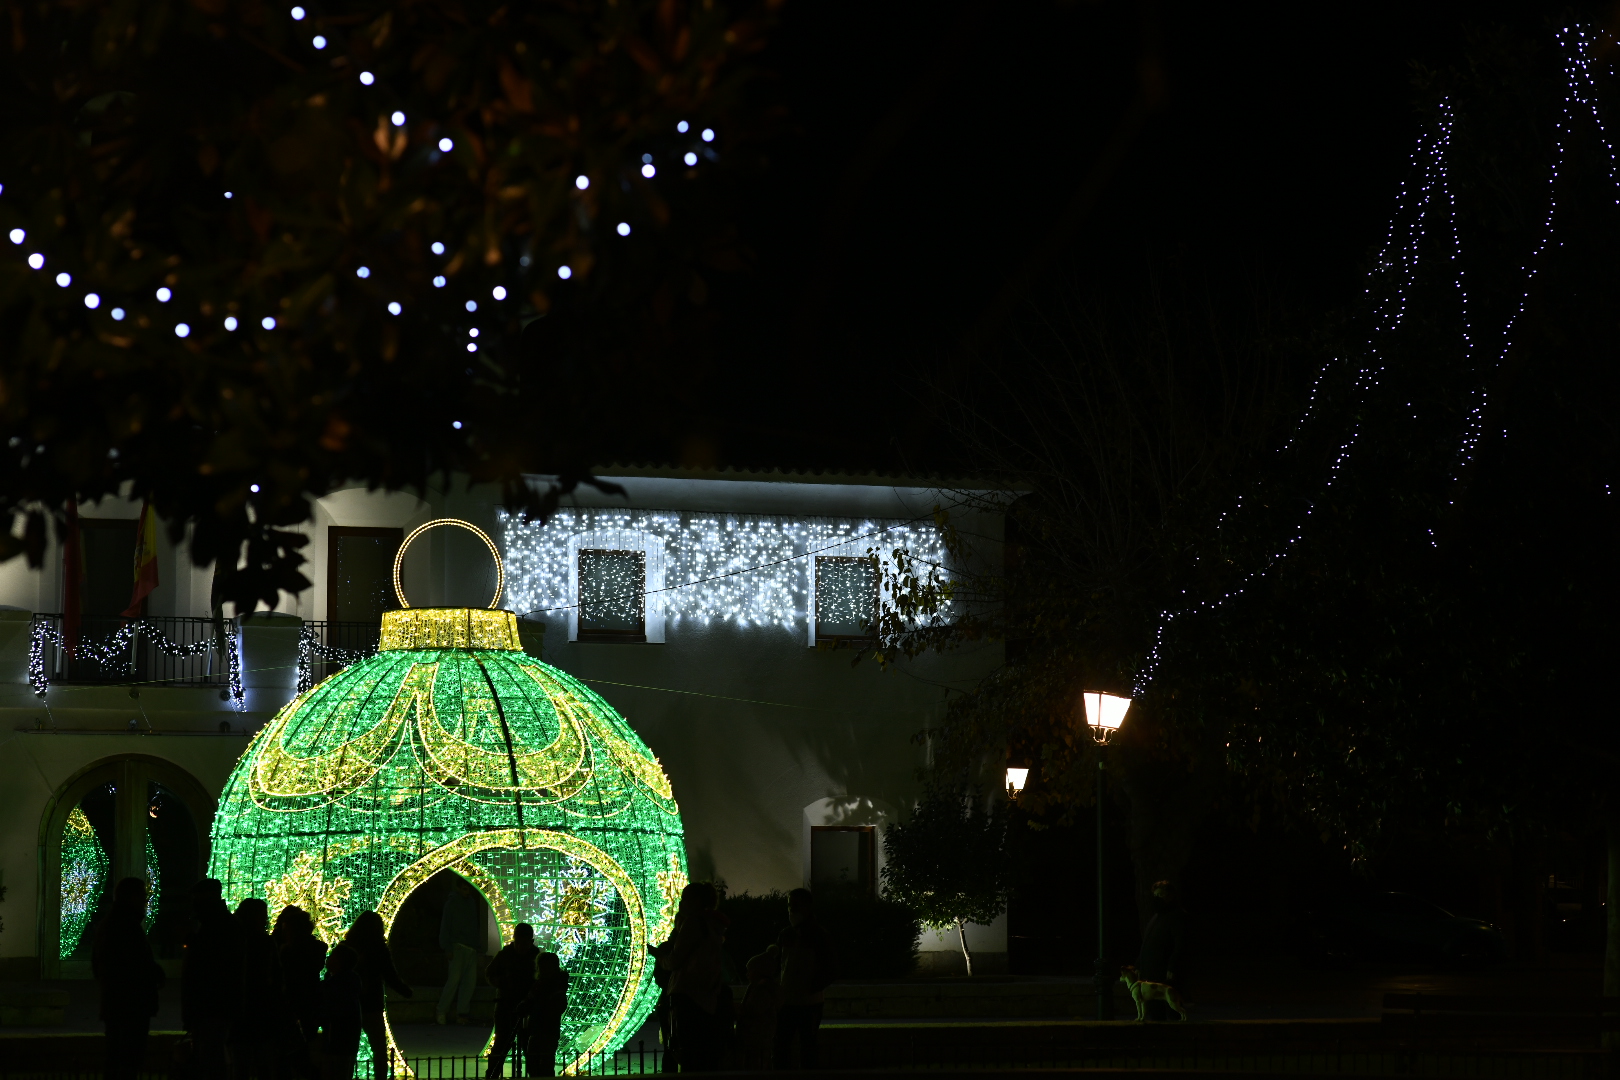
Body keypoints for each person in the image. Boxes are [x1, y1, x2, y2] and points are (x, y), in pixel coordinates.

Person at [93, 876, 165, 1080]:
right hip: (129, 1007)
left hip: (121, 1006)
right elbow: (131, 965)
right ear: (131, 897)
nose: (145, 900)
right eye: (142, 895)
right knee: (126, 1060)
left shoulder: (114, 924)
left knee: (118, 1058)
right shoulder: (125, 926)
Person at [659, 881, 729, 1073]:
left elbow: (676, 959)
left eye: (684, 899)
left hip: (687, 993)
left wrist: (661, 959)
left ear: (695, 901)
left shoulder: (693, 923)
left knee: (686, 1050)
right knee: (703, 1051)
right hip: (707, 994)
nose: (681, 904)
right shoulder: (715, 925)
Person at [183, 878, 245, 1080]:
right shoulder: (220, 924)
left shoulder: (215, 926)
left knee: (211, 1056)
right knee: (211, 1054)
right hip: (214, 1004)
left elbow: (210, 966)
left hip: (212, 1004)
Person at [344, 911, 413, 1080]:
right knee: (379, 1050)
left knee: (348, 1048)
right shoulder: (379, 948)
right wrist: (406, 991)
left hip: (351, 1003)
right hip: (372, 1004)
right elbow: (390, 975)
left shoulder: (347, 946)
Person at [774, 889, 834, 1069]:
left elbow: (830, 968)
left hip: (805, 1001)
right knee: (797, 1046)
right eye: (790, 905)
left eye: (795, 905)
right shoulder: (790, 934)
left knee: (792, 1047)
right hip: (799, 1000)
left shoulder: (816, 936)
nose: (791, 910)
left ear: (807, 907)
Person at [273, 905, 328, 1079]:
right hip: (308, 1003)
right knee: (302, 1049)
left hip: (292, 1004)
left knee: (292, 1052)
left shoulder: (286, 951)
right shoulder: (317, 947)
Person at [229, 898, 279, 1080]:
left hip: (240, 1012)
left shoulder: (234, 941)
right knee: (262, 1064)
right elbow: (275, 978)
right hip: (261, 1012)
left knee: (241, 1065)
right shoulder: (264, 942)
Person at [484, 923, 539, 1076]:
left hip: (526, 1007)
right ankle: (493, 1074)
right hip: (506, 1006)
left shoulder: (535, 957)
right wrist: (503, 982)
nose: (521, 947)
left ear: (531, 941)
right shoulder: (505, 954)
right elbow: (490, 974)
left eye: (524, 943)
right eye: (518, 942)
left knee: (528, 1046)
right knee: (501, 1044)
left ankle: (534, 1075)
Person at [1136, 880, 1187, 1022]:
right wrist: (1139, 964)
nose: (1157, 899)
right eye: (1155, 895)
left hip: (1165, 973)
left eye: (1161, 895)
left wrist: (1172, 966)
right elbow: (1147, 943)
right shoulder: (1157, 917)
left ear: (1170, 896)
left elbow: (1180, 944)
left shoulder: (1177, 916)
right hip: (1151, 973)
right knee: (1155, 1010)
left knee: (1171, 1009)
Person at [437, 876, 483, 1025]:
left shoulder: (470, 903)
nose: (467, 891)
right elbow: (445, 925)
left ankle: (460, 1013)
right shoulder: (453, 903)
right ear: (459, 888)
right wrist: (447, 946)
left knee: (468, 983)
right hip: (458, 946)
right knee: (454, 981)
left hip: (468, 947)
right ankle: (442, 1010)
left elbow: (474, 926)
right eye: (465, 888)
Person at [316, 944, 363, 1080]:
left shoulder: (336, 984)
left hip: (336, 1039)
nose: (327, 959)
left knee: (334, 1070)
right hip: (346, 1041)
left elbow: (331, 1011)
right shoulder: (350, 982)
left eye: (331, 956)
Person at [523, 950, 570, 1077]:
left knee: (544, 1064)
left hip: (546, 1030)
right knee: (535, 1063)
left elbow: (557, 1007)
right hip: (539, 1029)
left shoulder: (554, 987)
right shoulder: (542, 985)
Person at [735, 947, 781, 1070]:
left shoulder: (761, 990)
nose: (747, 974)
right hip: (759, 1037)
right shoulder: (763, 988)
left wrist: (738, 1010)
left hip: (756, 1036)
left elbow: (753, 1010)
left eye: (750, 971)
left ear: (758, 971)